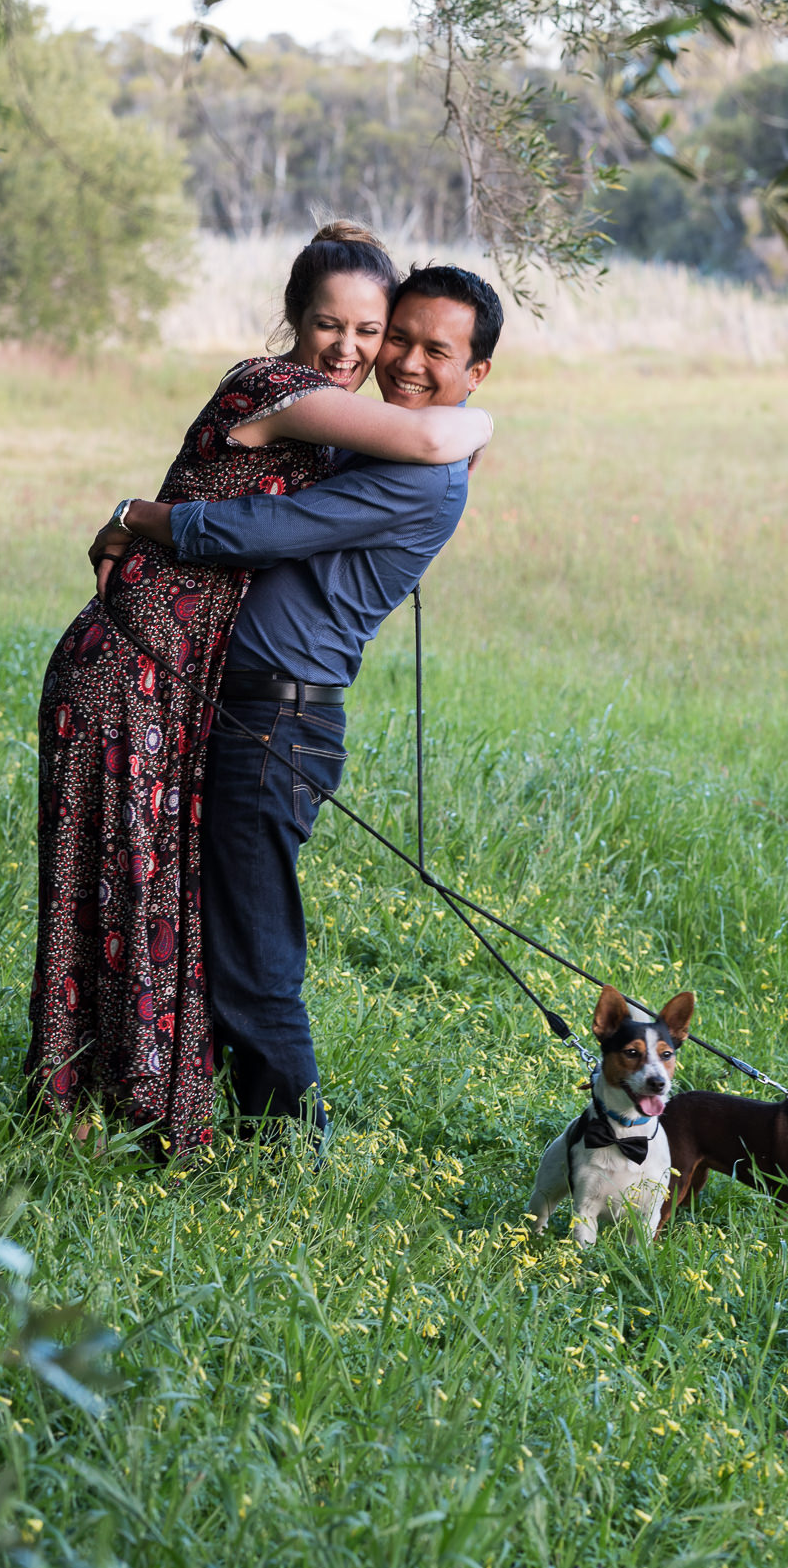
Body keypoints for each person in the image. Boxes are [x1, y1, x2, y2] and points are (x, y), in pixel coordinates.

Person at [25, 228, 493, 1158]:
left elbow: (265, 527)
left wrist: (136, 515)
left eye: (431, 351)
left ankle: (291, 1151)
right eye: (388, 334)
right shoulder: (360, 433)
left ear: (476, 372)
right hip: (226, 704)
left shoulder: (423, 473)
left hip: (277, 718)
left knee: (250, 954)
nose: (390, 359)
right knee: (192, 919)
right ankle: (161, 1105)